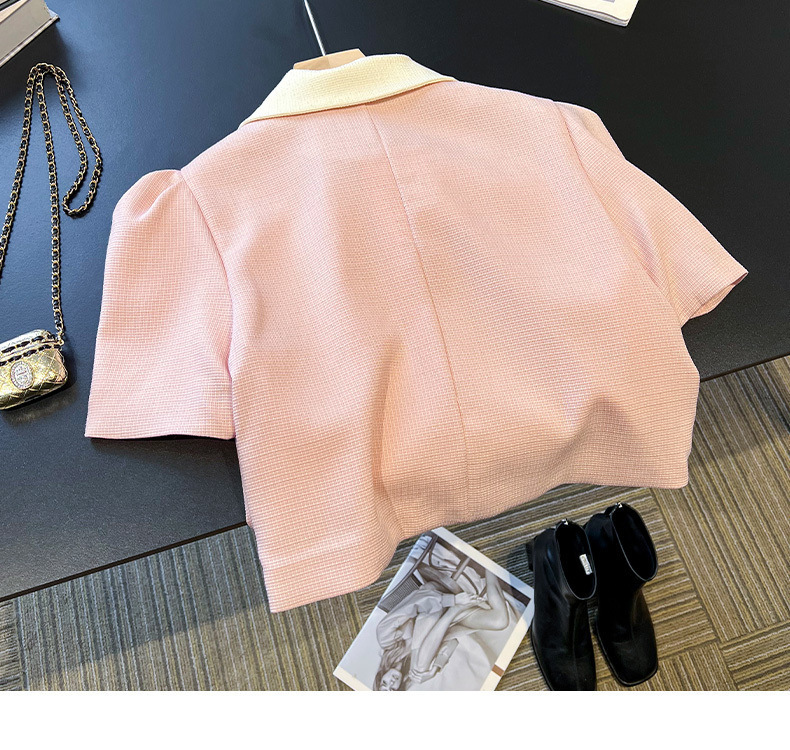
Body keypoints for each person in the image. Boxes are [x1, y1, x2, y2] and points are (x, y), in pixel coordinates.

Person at [373, 568, 510, 690]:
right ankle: (491, 568)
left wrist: (453, 600)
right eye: (392, 689)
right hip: (449, 617)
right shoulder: (411, 673)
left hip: (437, 597)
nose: (391, 682)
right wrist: (436, 669)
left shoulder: (384, 636)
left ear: (380, 676)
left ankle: (455, 609)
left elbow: (414, 602)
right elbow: (452, 642)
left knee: (419, 667)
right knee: (500, 621)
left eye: (384, 683)